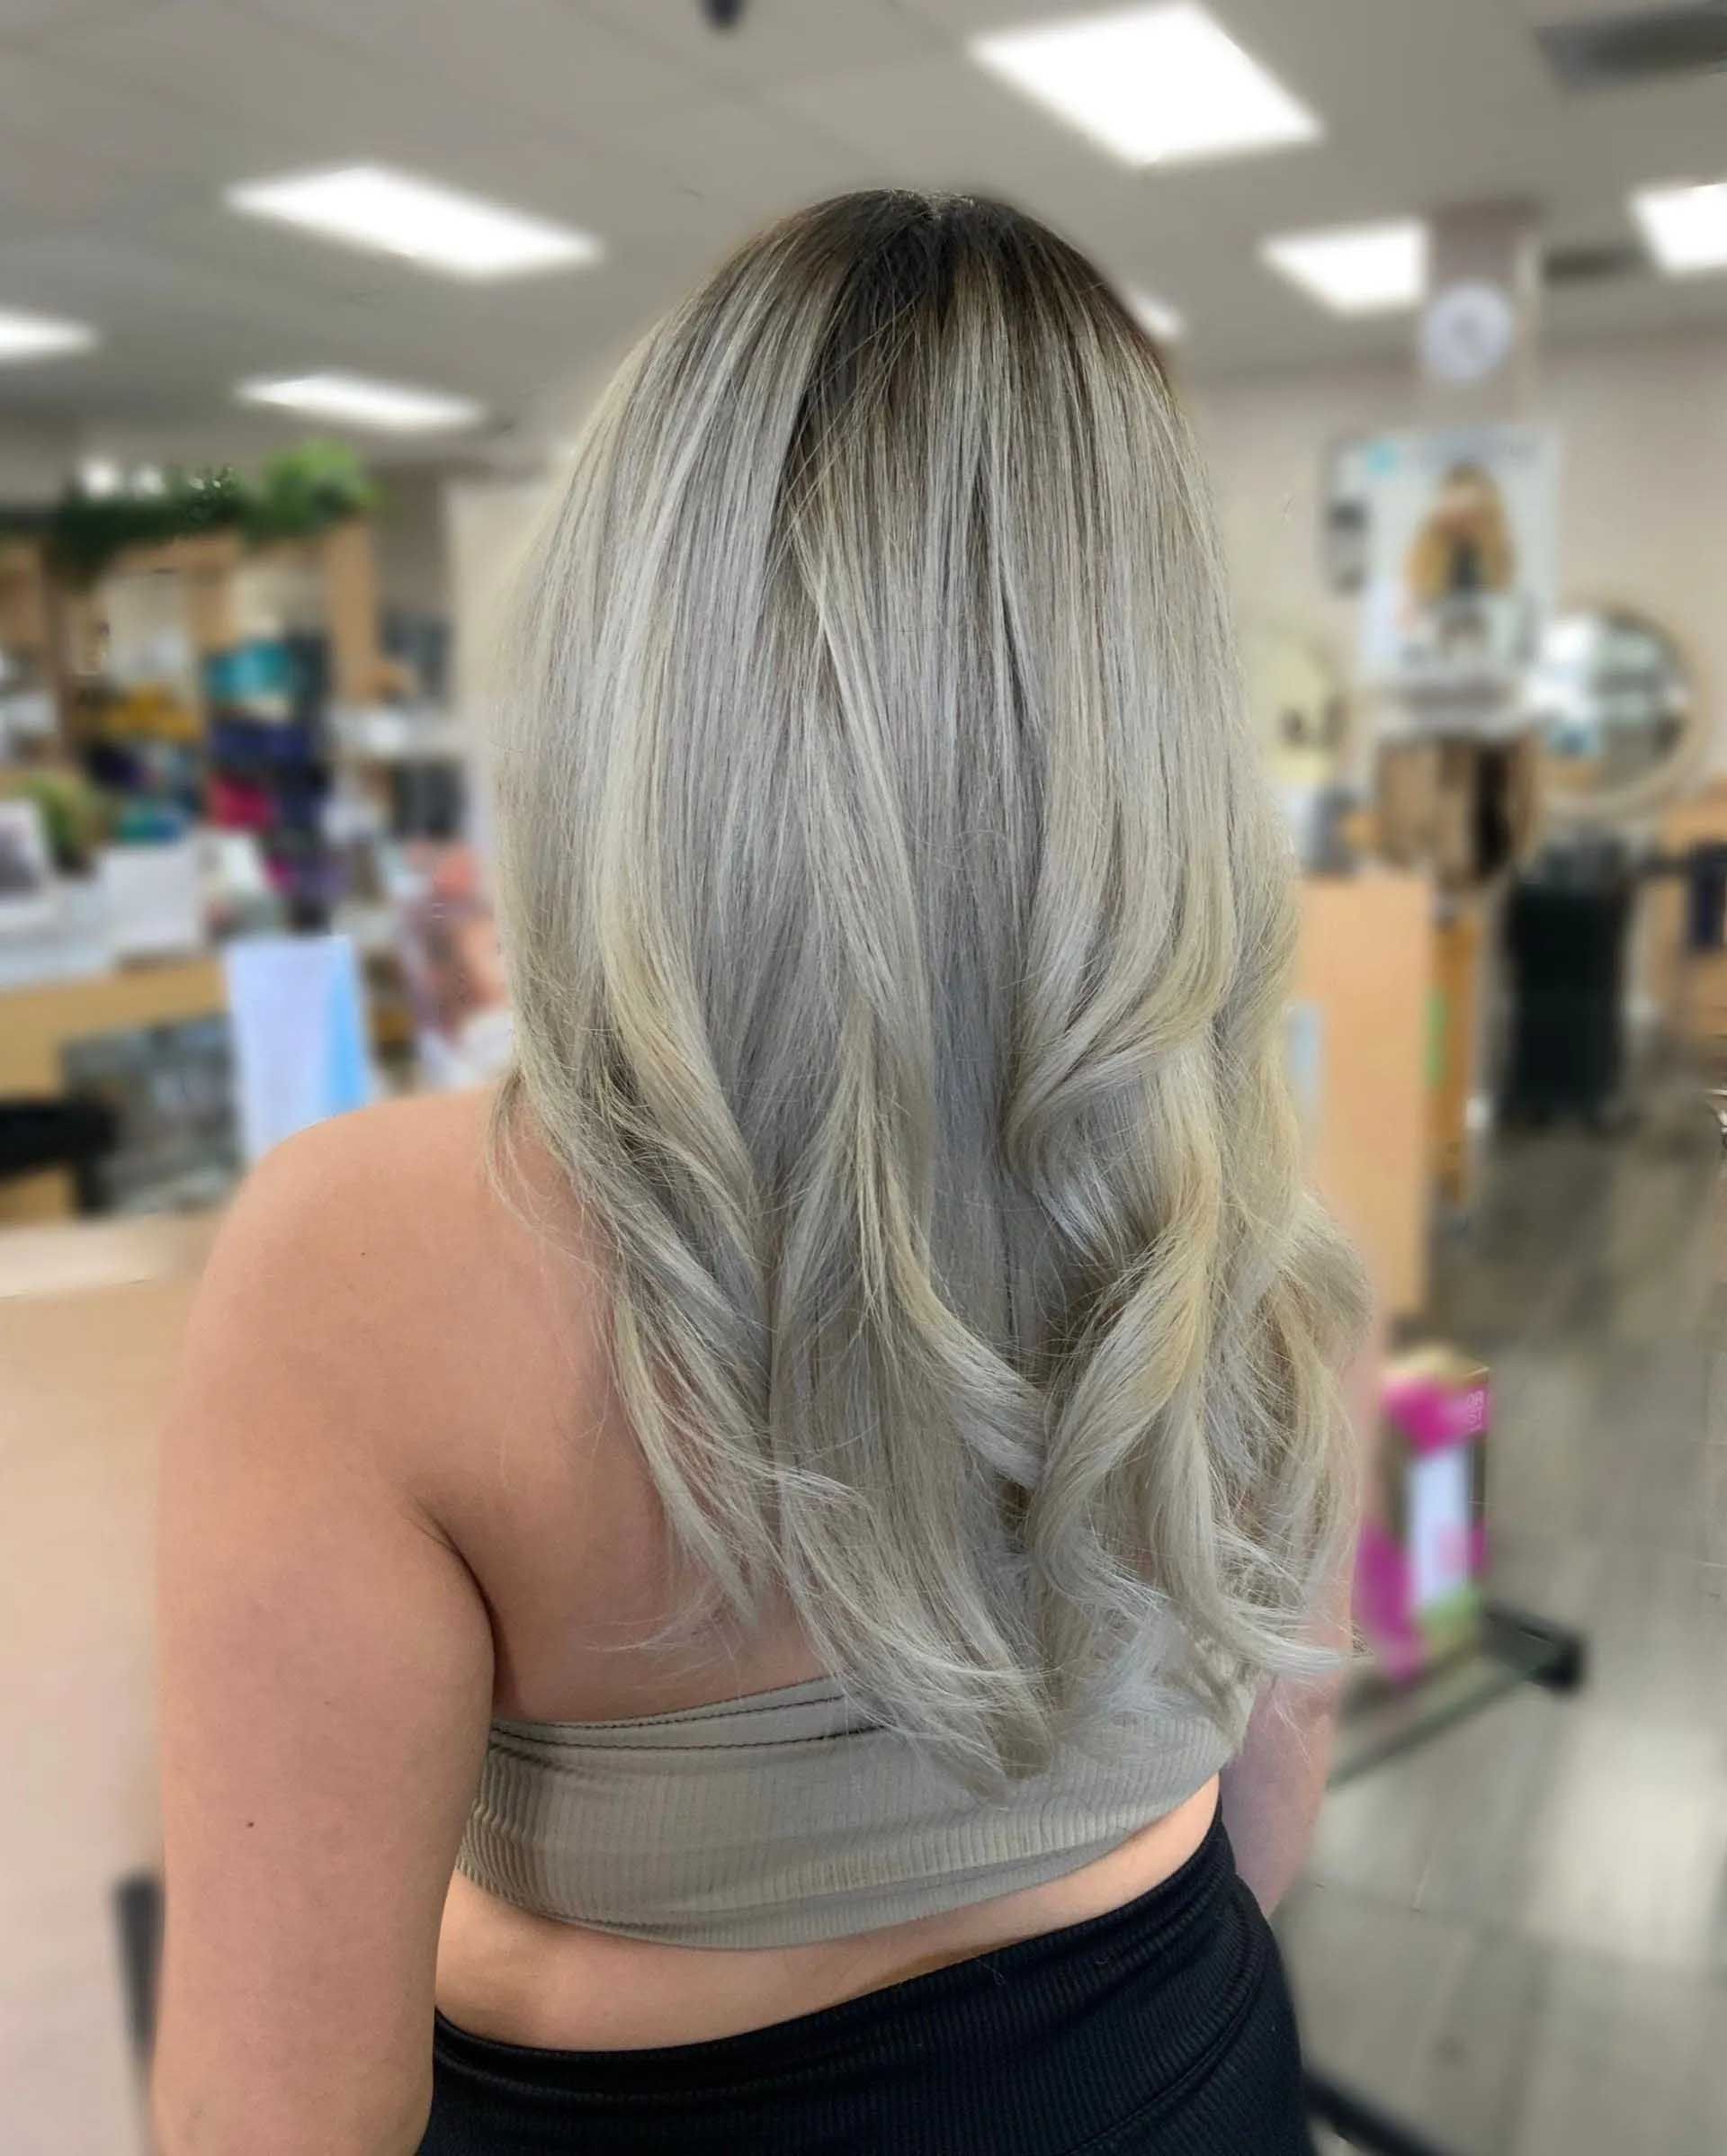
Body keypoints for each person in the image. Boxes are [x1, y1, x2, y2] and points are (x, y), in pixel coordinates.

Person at [152, 192, 1368, 2156]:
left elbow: (268, 2122)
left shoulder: (358, 1264)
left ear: (636, 670)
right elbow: (1269, 1802)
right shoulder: (1269, 1238)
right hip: (1185, 2071)